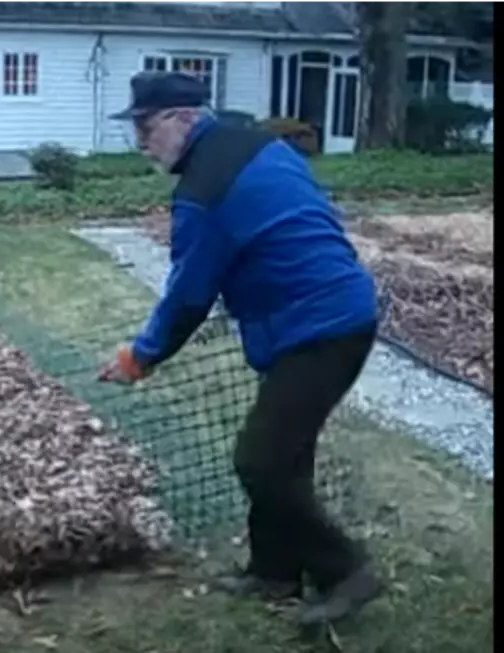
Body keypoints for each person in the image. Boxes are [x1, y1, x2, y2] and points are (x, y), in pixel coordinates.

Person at [97, 71, 383, 626]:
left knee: (262, 460)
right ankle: (273, 571)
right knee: (285, 456)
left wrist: (140, 356)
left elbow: (188, 296)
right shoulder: (257, 143)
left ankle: (346, 571)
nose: (139, 142)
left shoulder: (204, 190)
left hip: (323, 328)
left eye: (145, 126)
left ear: (183, 118)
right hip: (325, 314)